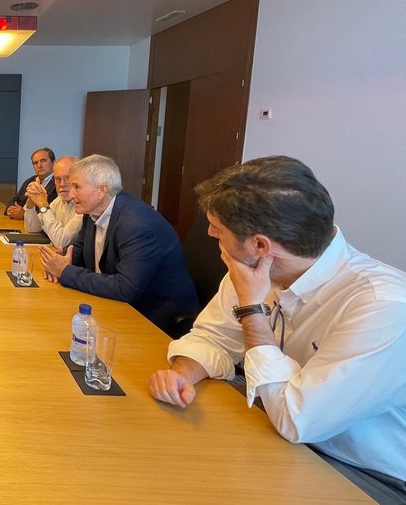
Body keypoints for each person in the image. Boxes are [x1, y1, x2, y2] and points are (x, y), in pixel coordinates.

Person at [148, 156, 406, 503]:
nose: (209, 234)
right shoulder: (255, 267)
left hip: (359, 470)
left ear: (260, 246)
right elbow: (213, 336)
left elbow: (299, 420)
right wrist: (184, 371)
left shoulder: (383, 305)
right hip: (273, 426)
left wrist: (252, 311)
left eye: (217, 228)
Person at [40, 154, 197, 335]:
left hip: (154, 319)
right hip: (116, 306)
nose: (71, 193)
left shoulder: (136, 224)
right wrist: (60, 261)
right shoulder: (92, 210)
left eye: (76, 186)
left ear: (102, 190)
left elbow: (126, 288)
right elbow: (80, 251)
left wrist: (66, 272)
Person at [22, 155, 83, 249]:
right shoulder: (60, 200)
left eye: (67, 178)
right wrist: (31, 200)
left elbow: (61, 242)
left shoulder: (83, 205)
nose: (62, 184)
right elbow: (33, 229)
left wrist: (43, 206)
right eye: (58, 179)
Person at [4, 147, 57, 220]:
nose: (39, 166)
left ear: (53, 162)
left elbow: (51, 212)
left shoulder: (58, 184)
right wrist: (10, 208)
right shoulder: (30, 180)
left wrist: (24, 215)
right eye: (35, 163)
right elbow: (15, 199)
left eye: (43, 161)